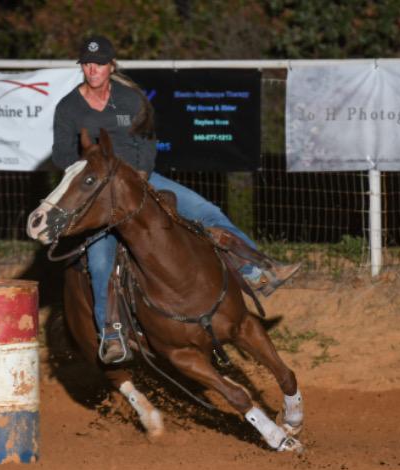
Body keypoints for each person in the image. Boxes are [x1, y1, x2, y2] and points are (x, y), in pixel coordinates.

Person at [52, 35, 300, 364]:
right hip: (97, 193)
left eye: (98, 63)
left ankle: (257, 270)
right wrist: (88, 177)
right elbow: (62, 156)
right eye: (86, 63)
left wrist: (140, 177)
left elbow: (148, 140)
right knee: (100, 263)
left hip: (140, 180)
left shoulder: (129, 100)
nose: (91, 69)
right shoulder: (69, 107)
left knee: (207, 211)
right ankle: (111, 334)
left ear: (111, 66)